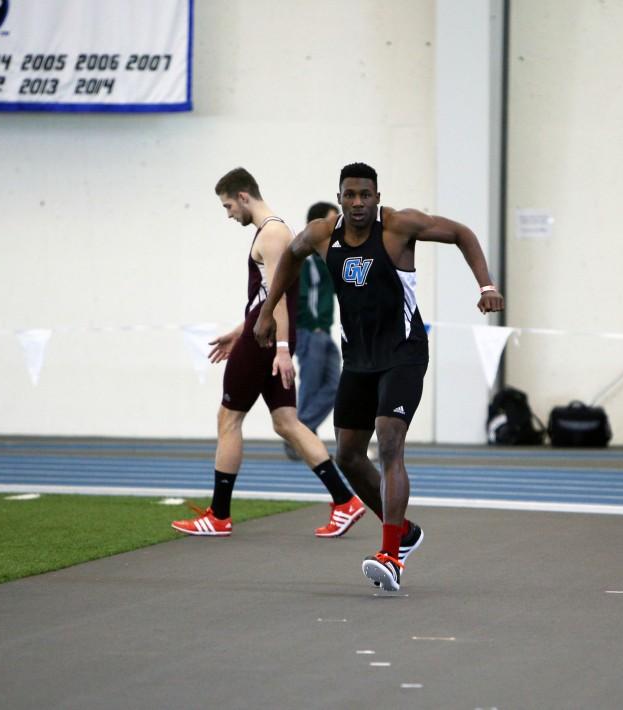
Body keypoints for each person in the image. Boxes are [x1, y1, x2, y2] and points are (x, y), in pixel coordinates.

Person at [254, 162, 504, 591]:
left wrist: (485, 287)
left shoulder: (399, 227)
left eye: (365, 195)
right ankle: (404, 532)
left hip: (403, 354)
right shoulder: (321, 234)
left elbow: (462, 233)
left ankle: (392, 555)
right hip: (359, 359)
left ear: (377, 197)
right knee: (349, 455)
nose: (357, 203)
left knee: (389, 441)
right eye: (349, 195)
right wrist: (268, 311)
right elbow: (290, 259)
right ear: (339, 198)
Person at [171, 167, 364, 539]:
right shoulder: (275, 232)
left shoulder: (273, 233)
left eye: (228, 205)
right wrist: (239, 329)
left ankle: (219, 515)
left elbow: (279, 304)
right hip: (260, 338)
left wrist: (280, 350)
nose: (228, 214)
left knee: (228, 419)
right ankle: (345, 502)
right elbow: (265, 298)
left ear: (244, 196)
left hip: (264, 345)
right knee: (287, 422)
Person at [283, 201, 342, 461]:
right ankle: (299, 439)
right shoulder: (305, 257)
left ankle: (301, 432)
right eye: (332, 221)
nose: (337, 226)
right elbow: (299, 296)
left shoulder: (327, 257)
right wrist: (309, 324)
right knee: (309, 385)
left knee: (336, 386)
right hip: (310, 330)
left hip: (325, 331)